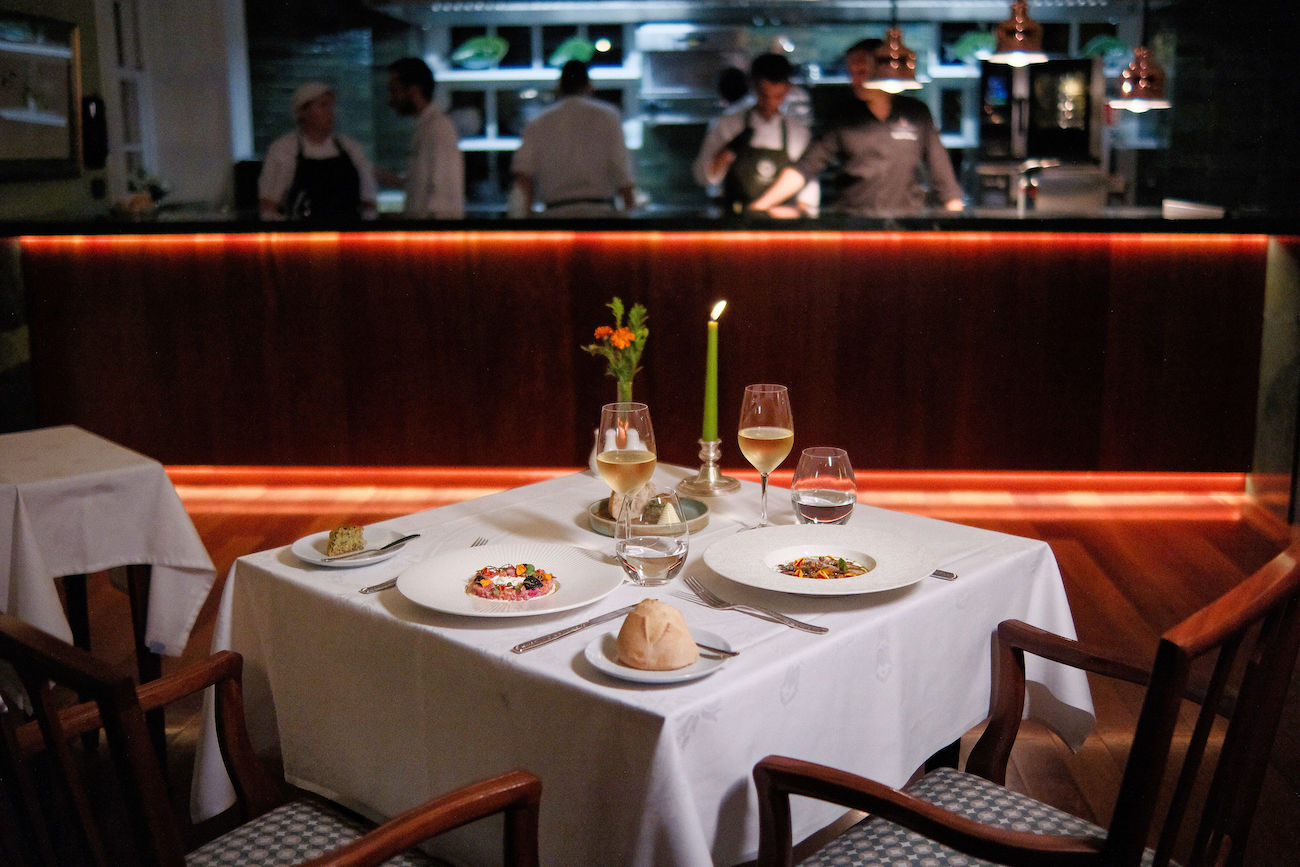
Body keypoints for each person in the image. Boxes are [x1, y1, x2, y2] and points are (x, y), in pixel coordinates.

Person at [749, 39, 964, 216]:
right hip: (854, 225)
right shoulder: (842, 116)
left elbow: (943, 176)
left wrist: (957, 219)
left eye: (861, 71)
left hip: (906, 225)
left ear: (881, 69)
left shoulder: (916, 113)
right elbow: (806, 167)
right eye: (851, 72)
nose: (855, 80)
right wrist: (758, 208)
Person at [693, 53, 818, 217]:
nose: (770, 103)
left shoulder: (799, 134)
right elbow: (703, 177)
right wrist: (727, 152)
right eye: (764, 95)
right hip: (733, 221)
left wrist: (792, 212)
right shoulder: (727, 125)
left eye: (778, 97)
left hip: (781, 224)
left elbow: (808, 199)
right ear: (753, 85)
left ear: (788, 88)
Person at [510, 60, 636, 218]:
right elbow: (620, 167)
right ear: (589, 86)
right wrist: (630, 209)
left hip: (555, 214)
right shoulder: (608, 116)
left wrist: (526, 215)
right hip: (600, 214)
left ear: (559, 87)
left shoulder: (538, 122)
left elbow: (524, 175)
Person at [258, 82, 377, 221]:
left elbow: (369, 201)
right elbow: (268, 204)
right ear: (302, 112)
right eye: (323, 105)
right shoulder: (283, 149)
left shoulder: (351, 148)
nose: (331, 112)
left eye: (332, 106)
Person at [384, 57, 464, 219]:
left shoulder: (438, 128)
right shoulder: (427, 126)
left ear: (414, 90)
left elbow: (441, 197)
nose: (390, 100)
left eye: (394, 90)